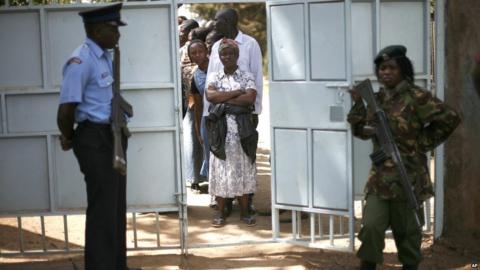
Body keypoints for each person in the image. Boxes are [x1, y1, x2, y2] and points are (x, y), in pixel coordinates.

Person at [348, 45, 460, 270]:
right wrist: (359, 103)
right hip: (380, 181)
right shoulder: (376, 99)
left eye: (391, 67)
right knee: (370, 228)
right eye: (381, 68)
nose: (385, 72)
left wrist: (422, 143)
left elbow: (450, 117)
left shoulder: (417, 97)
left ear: (403, 70)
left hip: (409, 179)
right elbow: (359, 130)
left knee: (408, 235)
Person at [56, 3, 133, 270]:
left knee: (114, 208)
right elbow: (66, 109)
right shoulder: (81, 60)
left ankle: (116, 265)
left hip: (112, 137)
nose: (118, 34)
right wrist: (68, 138)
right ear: (98, 30)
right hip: (94, 140)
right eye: (114, 29)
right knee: (102, 210)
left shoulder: (104, 56)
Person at [205, 8, 263, 215]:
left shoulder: (250, 44)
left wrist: (255, 108)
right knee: (223, 156)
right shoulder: (216, 46)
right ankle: (226, 202)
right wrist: (210, 109)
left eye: (217, 20)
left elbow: (256, 78)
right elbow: (212, 84)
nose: (214, 23)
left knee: (246, 155)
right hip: (219, 114)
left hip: (245, 113)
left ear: (229, 21)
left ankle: (248, 201)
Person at [188, 40, 210, 185]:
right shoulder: (195, 76)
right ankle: (216, 194)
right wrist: (198, 129)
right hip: (207, 120)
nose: (198, 55)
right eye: (193, 53)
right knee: (209, 156)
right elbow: (198, 105)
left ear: (206, 51)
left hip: (225, 117)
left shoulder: (218, 68)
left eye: (200, 51)